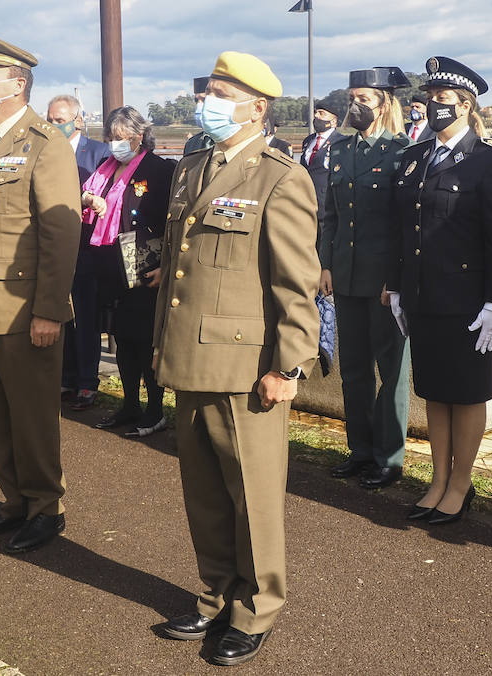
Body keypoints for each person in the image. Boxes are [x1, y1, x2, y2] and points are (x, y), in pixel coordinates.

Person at [154, 51, 319, 667]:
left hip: (247, 366)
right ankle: (215, 593)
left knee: (253, 494)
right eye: (207, 91)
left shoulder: (280, 176)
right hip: (190, 356)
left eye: (221, 93)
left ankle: (257, 609)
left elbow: (293, 285)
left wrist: (289, 366)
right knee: (203, 490)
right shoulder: (194, 165)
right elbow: (179, 268)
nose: (208, 102)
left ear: (257, 105)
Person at [0, 33, 81, 555]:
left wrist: (49, 310)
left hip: (23, 309)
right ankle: (14, 501)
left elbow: (60, 234)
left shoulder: (45, 144)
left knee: (30, 416)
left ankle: (45, 508)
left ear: (17, 83)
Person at [388, 56, 492, 524]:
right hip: (422, 295)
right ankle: (438, 479)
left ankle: (461, 484)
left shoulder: (489, 161)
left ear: (465, 106)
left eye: (441, 101)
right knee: (436, 392)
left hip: (467, 301)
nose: (431, 107)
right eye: (428, 100)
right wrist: (396, 289)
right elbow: (403, 229)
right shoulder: (415, 158)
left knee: (467, 394)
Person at [319, 67, 412, 490]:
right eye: (351, 98)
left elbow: (405, 225)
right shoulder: (339, 150)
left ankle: (389, 456)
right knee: (353, 369)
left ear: (384, 105)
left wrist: (395, 279)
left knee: (391, 370)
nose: (354, 106)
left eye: (364, 99)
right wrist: (325, 265)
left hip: (383, 283)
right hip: (346, 275)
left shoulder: (402, 151)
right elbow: (331, 216)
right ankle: (359, 450)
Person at [80, 106, 174, 437]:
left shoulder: (158, 169)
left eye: (122, 138)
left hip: (142, 262)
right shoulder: (105, 169)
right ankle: (130, 403)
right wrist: (90, 198)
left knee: (144, 340)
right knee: (120, 338)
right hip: (108, 262)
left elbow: (170, 222)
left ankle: (154, 409)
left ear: (139, 137)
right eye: (111, 137)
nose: (115, 144)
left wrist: (166, 264)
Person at [46, 93, 113, 408]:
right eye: (50, 120)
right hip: (53, 246)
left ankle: (87, 382)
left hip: (87, 247)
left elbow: (109, 197)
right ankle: (65, 377)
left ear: (78, 120)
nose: (54, 125)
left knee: (85, 318)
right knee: (57, 316)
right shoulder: (44, 149)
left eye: (60, 120)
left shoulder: (99, 153)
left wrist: (83, 197)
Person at [299, 104, 338, 213]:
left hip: (327, 205)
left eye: (322, 113)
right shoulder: (308, 140)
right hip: (305, 201)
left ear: (333, 121)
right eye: (316, 112)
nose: (316, 116)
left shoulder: (341, 142)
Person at [182, 77, 216, 155]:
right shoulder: (192, 145)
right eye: (197, 100)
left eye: (204, 100)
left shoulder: (233, 141)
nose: (199, 104)